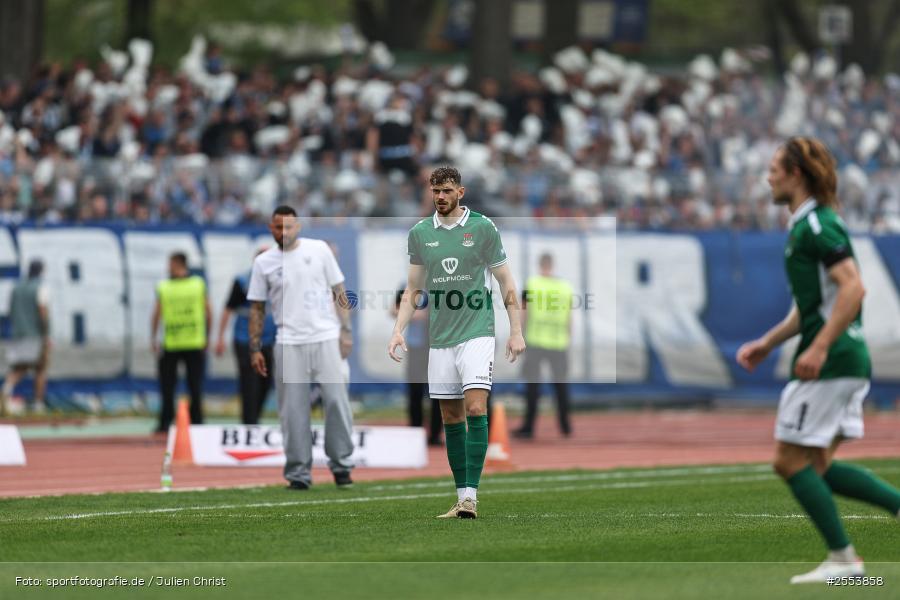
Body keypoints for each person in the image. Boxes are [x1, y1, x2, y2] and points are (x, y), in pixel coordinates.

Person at [736, 137, 900, 584]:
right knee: (819, 467)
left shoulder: (816, 225)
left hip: (833, 361)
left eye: (774, 168)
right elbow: (809, 308)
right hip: (843, 359)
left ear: (796, 174)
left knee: (789, 462)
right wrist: (768, 343)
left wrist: (820, 345)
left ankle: (845, 563)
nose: (767, 176)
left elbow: (853, 288)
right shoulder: (806, 226)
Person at [389, 166, 526, 519]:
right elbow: (413, 288)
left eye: (447, 191)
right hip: (440, 338)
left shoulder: (482, 228)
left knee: (476, 408)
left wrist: (515, 330)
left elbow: (505, 280)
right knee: (450, 415)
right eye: (436, 191)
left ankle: (472, 498)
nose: (440, 197)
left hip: (477, 332)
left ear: (460, 192)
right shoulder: (420, 233)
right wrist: (399, 329)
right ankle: (461, 495)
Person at [247, 205, 355, 490]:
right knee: (293, 411)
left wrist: (346, 332)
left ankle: (341, 465)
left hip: (325, 337)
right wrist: (255, 347)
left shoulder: (319, 250)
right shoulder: (263, 263)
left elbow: (340, 292)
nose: (283, 232)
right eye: (277, 227)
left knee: (336, 401)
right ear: (270, 228)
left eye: (288, 227)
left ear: (299, 226)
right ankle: (298, 473)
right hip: (288, 342)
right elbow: (257, 308)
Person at [214, 247, 277, 425]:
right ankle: (249, 423)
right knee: (249, 382)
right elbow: (228, 309)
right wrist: (220, 338)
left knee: (266, 381)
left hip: (269, 340)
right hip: (245, 340)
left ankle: (254, 417)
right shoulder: (242, 281)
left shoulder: (277, 282)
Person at [514, 253, 573, 439]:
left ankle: (529, 427)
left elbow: (524, 312)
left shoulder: (532, 284)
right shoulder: (565, 287)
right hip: (558, 341)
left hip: (536, 340)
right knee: (561, 386)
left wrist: (520, 335)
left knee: (533, 386)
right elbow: (570, 317)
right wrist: (568, 338)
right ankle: (565, 426)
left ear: (540, 264)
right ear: (552, 265)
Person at [151, 252, 211, 432]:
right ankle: (192, 422)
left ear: (178, 264)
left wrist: (153, 337)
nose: (167, 267)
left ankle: (170, 423)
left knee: (187, 386)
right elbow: (209, 312)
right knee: (179, 386)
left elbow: (156, 314)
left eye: (170, 263)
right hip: (178, 342)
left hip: (184, 343)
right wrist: (207, 336)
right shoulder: (191, 284)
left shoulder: (192, 284)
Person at [391, 283, 442, 445]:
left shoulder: (442, 284)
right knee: (415, 391)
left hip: (437, 346)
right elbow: (394, 309)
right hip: (416, 346)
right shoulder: (410, 286)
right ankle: (415, 432)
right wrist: (413, 314)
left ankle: (435, 434)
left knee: (438, 392)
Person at [1, 260, 50, 415]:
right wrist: (46, 334)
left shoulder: (16, 288)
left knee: (19, 367)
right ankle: (38, 403)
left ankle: (6, 391)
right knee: (39, 368)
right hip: (34, 334)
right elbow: (42, 311)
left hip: (17, 333)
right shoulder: (40, 287)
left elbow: (10, 310)